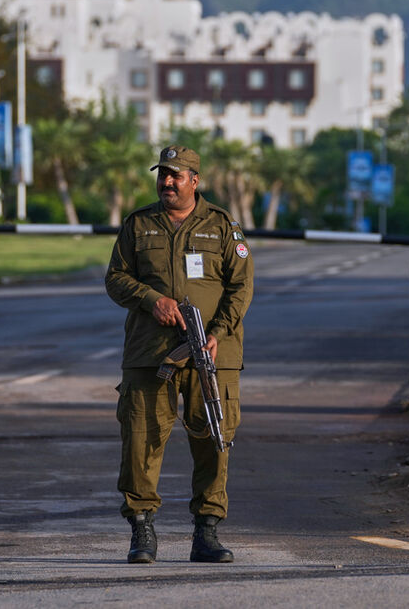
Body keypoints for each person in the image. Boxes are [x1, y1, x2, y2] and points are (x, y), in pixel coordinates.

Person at [105, 145, 254, 564]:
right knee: (141, 440)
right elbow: (115, 279)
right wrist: (151, 299)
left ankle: (206, 533)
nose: (167, 182)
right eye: (163, 175)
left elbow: (241, 286)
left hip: (213, 353)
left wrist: (218, 332)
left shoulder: (222, 226)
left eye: (176, 175)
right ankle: (142, 531)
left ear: (195, 181)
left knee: (214, 439)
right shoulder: (139, 225)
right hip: (150, 353)